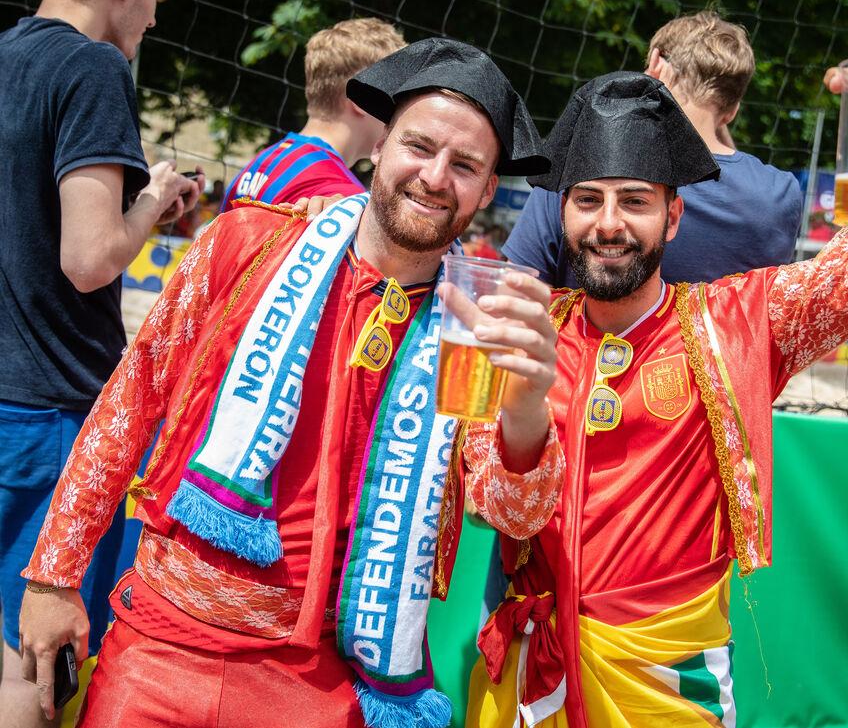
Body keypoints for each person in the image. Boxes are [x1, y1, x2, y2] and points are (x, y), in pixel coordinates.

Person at [18, 38, 562, 728]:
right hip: (163, 645)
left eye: (464, 166)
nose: (433, 177)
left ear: (487, 190)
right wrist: (53, 575)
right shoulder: (245, 244)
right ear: (379, 144)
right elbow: (130, 404)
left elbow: (512, 514)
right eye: (419, 147)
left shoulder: (475, 323)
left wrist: (526, 408)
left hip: (321, 678)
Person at [466, 30, 848, 727]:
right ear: (563, 211)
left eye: (635, 200)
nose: (609, 224)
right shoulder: (524, 333)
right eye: (589, 200)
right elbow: (501, 514)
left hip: (670, 687)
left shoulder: (739, 323)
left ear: (674, 215)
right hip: (525, 683)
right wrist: (522, 408)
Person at [0, 0, 202, 726]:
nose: (158, 8)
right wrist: (151, 200)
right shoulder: (91, 65)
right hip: (54, 409)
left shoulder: (6, 52)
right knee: (32, 670)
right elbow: (89, 259)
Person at [502, 10, 803, 287]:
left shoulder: (578, 167)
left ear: (656, 66)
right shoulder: (778, 195)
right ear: (733, 111)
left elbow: (517, 289)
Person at [220, 17, 406, 211]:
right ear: (362, 98)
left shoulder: (258, 164)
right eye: (395, 94)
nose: (399, 108)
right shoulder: (342, 198)